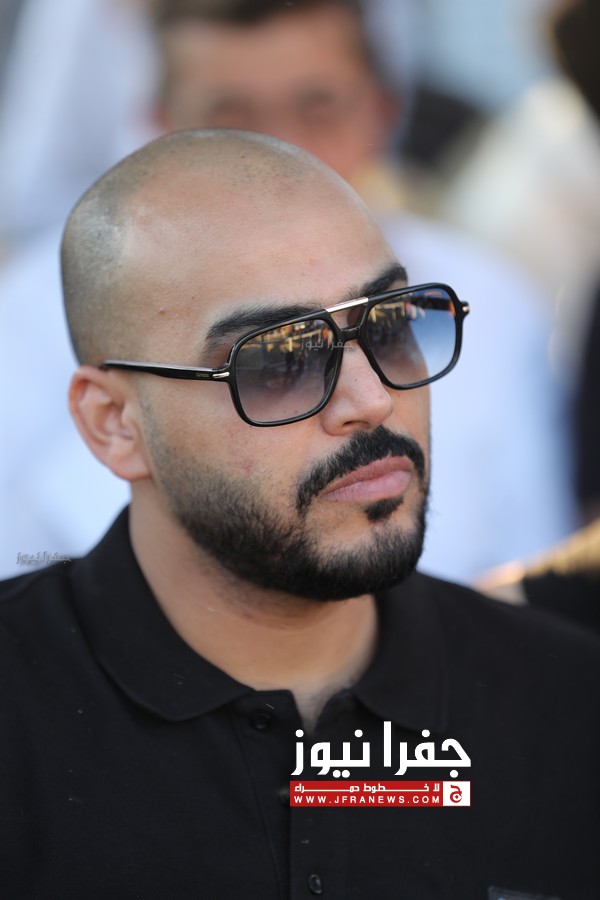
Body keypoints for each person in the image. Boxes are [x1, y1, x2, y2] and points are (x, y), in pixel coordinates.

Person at [1, 129, 599, 899]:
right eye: (281, 357)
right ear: (115, 423)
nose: (372, 399)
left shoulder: (568, 708)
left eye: (390, 325)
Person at [0, 0, 575, 583]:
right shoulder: (23, 323)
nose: (280, 149)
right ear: (159, 123)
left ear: (383, 113)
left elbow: (530, 565)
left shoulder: (495, 301)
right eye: (230, 118)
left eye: (317, 109)